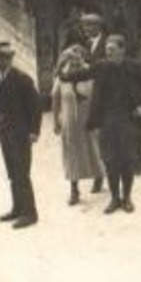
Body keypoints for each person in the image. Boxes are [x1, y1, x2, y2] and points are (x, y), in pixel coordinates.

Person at [0, 41, 41, 228]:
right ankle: (17, 208)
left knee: (22, 173)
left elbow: (35, 107)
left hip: (21, 135)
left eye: (4, 58)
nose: (0, 61)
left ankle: (30, 213)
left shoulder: (23, 79)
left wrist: (34, 131)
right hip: (5, 134)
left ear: (11, 58)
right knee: (12, 174)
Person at [89, 34, 141, 213]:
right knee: (110, 161)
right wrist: (63, 71)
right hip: (107, 120)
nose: (108, 53)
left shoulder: (134, 66)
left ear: (122, 50)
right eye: (107, 50)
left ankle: (127, 198)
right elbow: (83, 73)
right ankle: (114, 199)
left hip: (127, 120)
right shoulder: (101, 66)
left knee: (127, 160)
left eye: (112, 50)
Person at [51, 39, 104, 206]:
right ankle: (74, 189)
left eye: (79, 56)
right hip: (69, 120)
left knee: (93, 149)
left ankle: (99, 176)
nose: (75, 59)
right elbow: (55, 98)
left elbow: (99, 97)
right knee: (71, 153)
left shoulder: (90, 73)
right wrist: (56, 121)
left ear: (84, 57)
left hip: (88, 118)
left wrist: (99, 118)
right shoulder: (62, 75)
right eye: (71, 57)